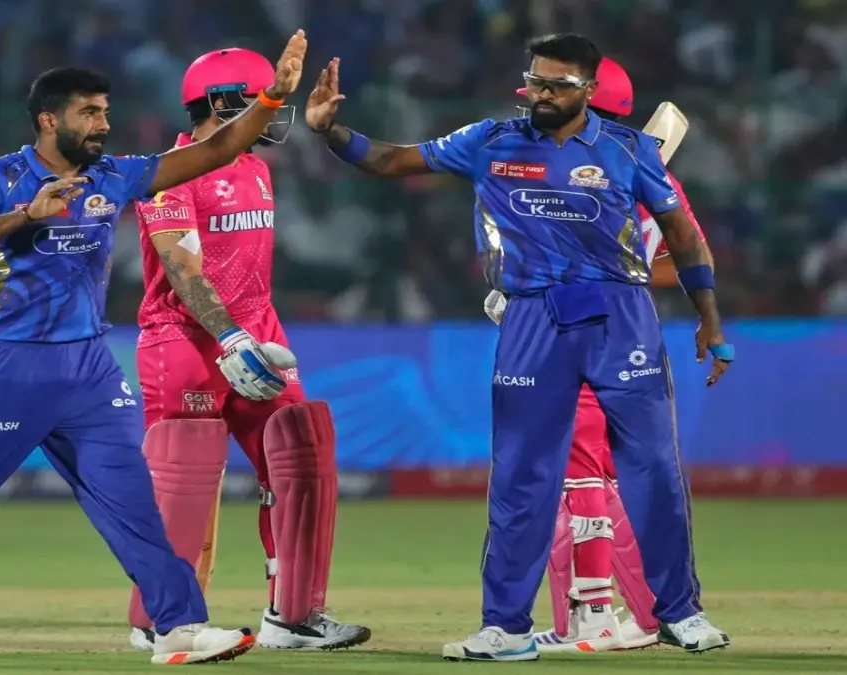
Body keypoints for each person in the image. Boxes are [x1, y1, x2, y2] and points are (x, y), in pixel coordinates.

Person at [0, 30, 309, 667]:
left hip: (86, 366)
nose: (103, 123)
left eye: (105, 111)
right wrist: (26, 214)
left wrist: (271, 96)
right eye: (89, 112)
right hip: (1, 360)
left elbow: (218, 148)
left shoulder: (115, 174)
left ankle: (178, 626)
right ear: (50, 119)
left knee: (129, 496)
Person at [305, 33, 733, 661]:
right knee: (521, 478)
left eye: (557, 84)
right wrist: (331, 132)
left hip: (621, 314)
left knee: (654, 470)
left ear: (588, 89)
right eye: (534, 81)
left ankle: (681, 613)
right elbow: (393, 161)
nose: (541, 93)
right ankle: (504, 628)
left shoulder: (630, 149)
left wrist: (710, 320)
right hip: (533, 318)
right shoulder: (490, 139)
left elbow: (684, 238)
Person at [125, 47, 370, 651]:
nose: (275, 112)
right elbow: (182, 269)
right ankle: (163, 620)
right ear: (217, 103)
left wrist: (251, 336)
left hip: (260, 335)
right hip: (183, 340)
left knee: (302, 465)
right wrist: (229, 337)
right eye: (262, 98)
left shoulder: (258, 170)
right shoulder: (170, 170)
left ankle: (293, 616)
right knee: (183, 486)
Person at [484, 57, 713, 653]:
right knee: (608, 476)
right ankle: (639, 614)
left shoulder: (609, 170)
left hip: (588, 330)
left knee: (580, 475)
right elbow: (682, 252)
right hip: (606, 330)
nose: (532, 107)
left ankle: (595, 618)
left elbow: (665, 257)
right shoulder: (640, 171)